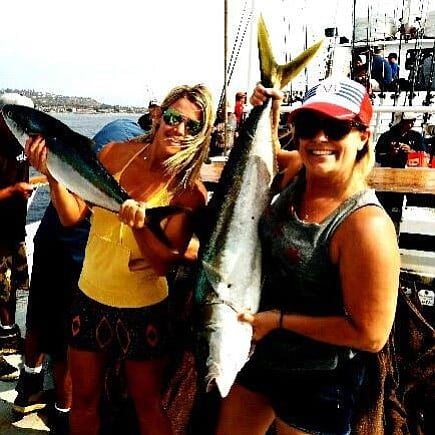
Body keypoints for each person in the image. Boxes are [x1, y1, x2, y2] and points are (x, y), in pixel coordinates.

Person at [25, 84, 214, 435]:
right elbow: (73, 216)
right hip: (90, 295)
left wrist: (142, 227)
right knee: (83, 402)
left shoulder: (189, 191)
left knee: (148, 407)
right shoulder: (114, 153)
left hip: (143, 309)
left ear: (200, 135)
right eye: (173, 118)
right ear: (158, 116)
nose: (178, 129)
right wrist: (53, 175)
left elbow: (162, 264)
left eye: (192, 126)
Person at [216, 77, 400, 435]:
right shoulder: (301, 172)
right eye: (308, 126)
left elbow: (371, 335)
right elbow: (267, 156)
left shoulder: (365, 226)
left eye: (335, 128)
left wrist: (279, 321)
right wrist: (269, 108)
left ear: (363, 135)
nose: (319, 139)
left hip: (317, 379)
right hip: (262, 356)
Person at [13, 118, 145, 434]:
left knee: (40, 310)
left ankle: (28, 384)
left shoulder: (109, 134)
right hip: (76, 245)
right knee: (68, 334)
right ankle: (63, 411)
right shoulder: (130, 147)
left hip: (50, 231)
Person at [0, 93, 35, 381]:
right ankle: (6, 339)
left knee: (17, 285)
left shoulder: (22, 142)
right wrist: (12, 192)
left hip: (16, 227)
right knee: (3, 286)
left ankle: (11, 333)